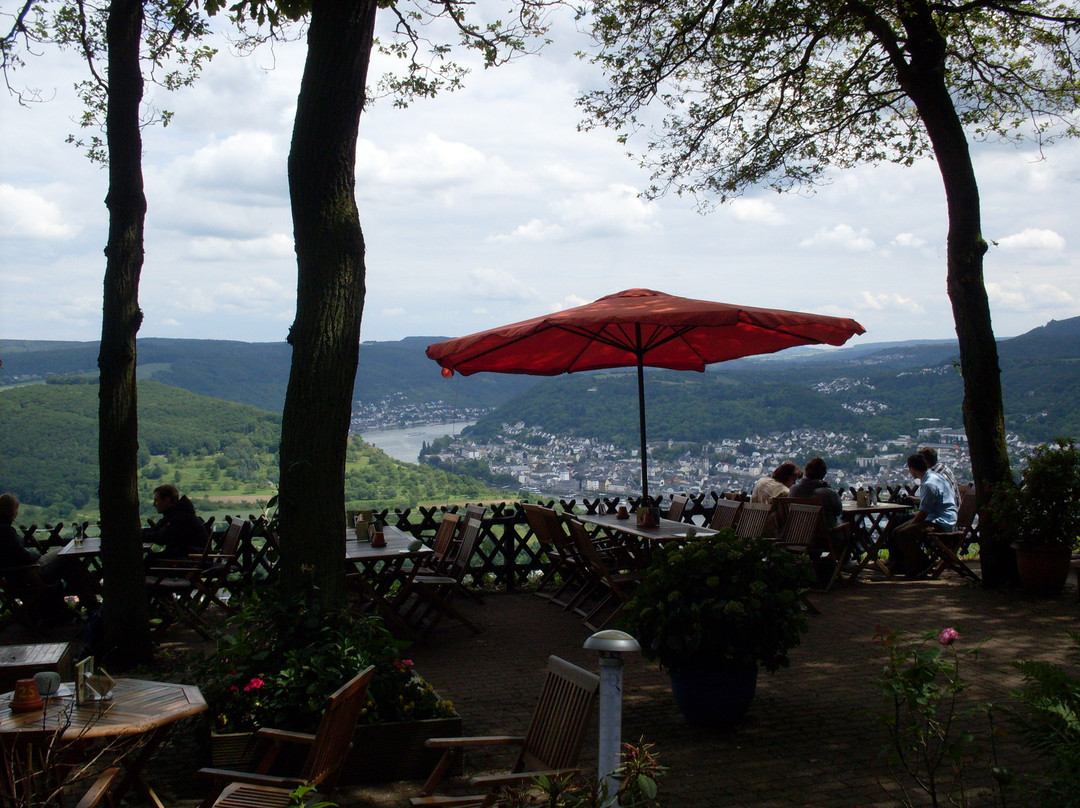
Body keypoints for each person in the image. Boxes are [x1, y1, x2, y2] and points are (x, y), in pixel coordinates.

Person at [0, 492, 98, 617]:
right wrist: (36, 556)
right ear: (11, 511)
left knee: (68, 564)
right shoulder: (5, 531)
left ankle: (80, 605)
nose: (17, 513)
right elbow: (23, 556)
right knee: (67, 556)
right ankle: (91, 603)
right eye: (15, 509)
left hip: (13, 577)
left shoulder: (3, 529)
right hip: (27, 572)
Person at [887, 454, 958, 577]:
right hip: (946, 518)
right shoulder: (935, 477)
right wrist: (916, 500)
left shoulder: (928, 485)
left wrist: (911, 523)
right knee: (898, 530)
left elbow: (923, 513)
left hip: (940, 522)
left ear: (912, 469)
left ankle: (921, 563)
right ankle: (913, 564)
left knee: (901, 533)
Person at [142, 484, 208, 561]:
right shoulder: (175, 514)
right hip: (186, 556)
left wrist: (137, 536)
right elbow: (156, 529)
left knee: (149, 561)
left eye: (156, 500)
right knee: (150, 559)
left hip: (189, 561)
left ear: (167, 500)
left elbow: (161, 538)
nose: (154, 504)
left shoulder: (181, 518)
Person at [787, 456, 844, 526]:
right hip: (825, 534)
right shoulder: (828, 493)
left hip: (798, 533)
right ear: (823, 474)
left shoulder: (793, 489)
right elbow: (838, 512)